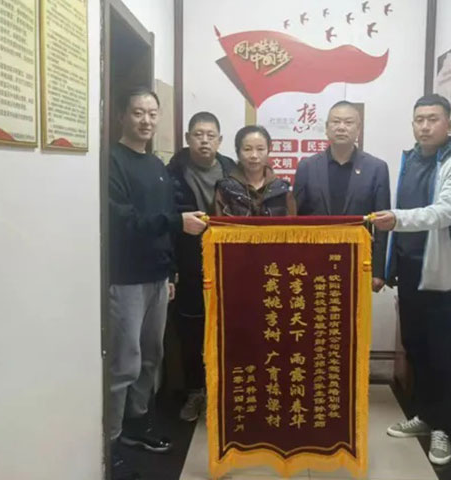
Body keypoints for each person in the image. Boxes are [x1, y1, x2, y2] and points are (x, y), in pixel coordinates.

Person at [370, 93, 451, 466]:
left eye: (433, 119)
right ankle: (425, 415)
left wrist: (397, 219)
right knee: (416, 345)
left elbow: (446, 212)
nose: (425, 126)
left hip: (445, 276)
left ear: (449, 123)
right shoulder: (412, 159)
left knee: (444, 351)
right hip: (411, 270)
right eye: (419, 119)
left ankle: (443, 427)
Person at [108, 87, 206, 479]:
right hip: (126, 278)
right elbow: (123, 221)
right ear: (122, 115)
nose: (145, 120)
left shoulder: (157, 166)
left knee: (152, 355)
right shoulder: (112, 162)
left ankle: (137, 425)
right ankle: (111, 442)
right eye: (137, 112)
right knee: (124, 363)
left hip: (158, 277)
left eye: (152, 113)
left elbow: (165, 224)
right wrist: (177, 222)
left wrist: (171, 271)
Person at [166, 112, 235, 421]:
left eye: (210, 135)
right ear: (187, 138)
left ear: (220, 140)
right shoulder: (172, 173)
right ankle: (195, 393)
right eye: (198, 134)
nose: (204, 141)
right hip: (190, 263)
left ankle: (225, 393)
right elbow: (167, 224)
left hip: (229, 265)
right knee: (192, 331)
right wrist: (172, 269)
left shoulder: (233, 171)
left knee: (229, 328)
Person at [293, 100, 390, 292]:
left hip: (357, 260)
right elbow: (296, 218)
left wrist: (378, 270)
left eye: (348, 122)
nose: (341, 127)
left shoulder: (376, 168)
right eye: (336, 122)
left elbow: (381, 224)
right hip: (314, 260)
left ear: (358, 129)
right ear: (326, 128)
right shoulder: (307, 167)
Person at [214, 125, 296, 216]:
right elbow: (219, 223)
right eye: (247, 149)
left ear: (268, 151)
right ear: (238, 152)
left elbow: (292, 223)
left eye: (260, 149)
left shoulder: (282, 190)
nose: (254, 155)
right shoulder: (226, 188)